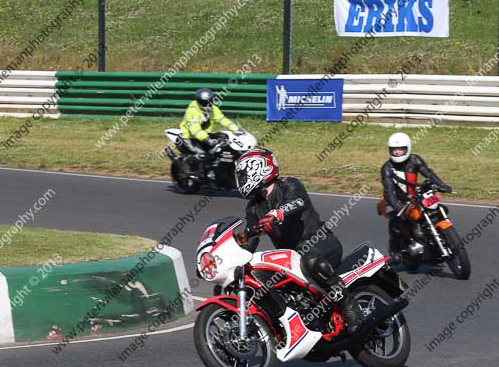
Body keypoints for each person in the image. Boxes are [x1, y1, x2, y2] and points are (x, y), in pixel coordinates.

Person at [235, 148, 362, 331]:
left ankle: (349, 304)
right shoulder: (253, 207)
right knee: (258, 274)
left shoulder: (289, 184)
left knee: (311, 260)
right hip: (291, 258)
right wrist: (235, 256)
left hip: (321, 243)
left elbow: (296, 202)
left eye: (244, 175)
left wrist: (276, 214)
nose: (241, 181)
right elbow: (250, 236)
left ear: (260, 169)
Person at [381, 132, 452, 263]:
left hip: (416, 194)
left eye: (400, 149)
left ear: (407, 148)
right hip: (399, 199)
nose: (397, 152)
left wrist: (441, 184)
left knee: (438, 208)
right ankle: (396, 251)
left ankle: (438, 238)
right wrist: (398, 207)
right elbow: (389, 191)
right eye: (394, 150)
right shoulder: (387, 168)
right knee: (399, 224)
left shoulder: (415, 159)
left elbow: (428, 173)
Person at [178, 88, 240, 161]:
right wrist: (207, 139)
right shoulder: (193, 110)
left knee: (220, 148)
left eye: (209, 101)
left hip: (205, 135)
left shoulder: (212, 108)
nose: (207, 103)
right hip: (190, 137)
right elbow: (195, 130)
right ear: (198, 101)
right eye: (203, 102)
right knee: (203, 156)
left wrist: (236, 129)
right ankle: (186, 164)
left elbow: (222, 119)